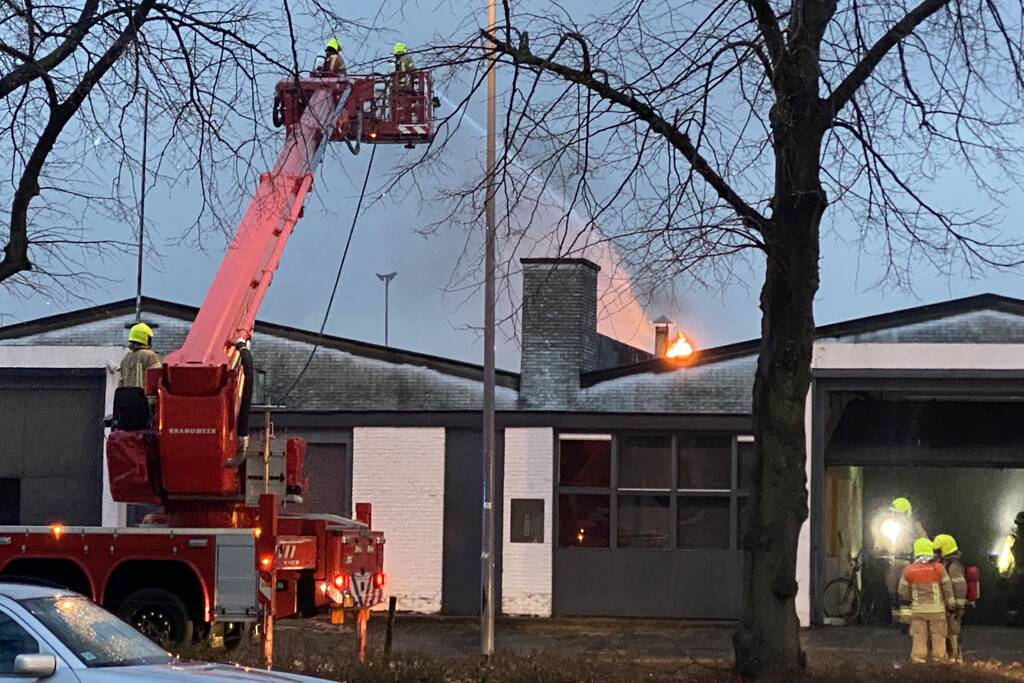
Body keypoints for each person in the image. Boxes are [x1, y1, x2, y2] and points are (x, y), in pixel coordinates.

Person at [898, 537, 956, 664]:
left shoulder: (909, 570)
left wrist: (905, 616)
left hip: (918, 612)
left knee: (919, 636)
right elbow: (947, 588)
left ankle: (919, 661)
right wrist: (951, 606)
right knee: (938, 636)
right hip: (937, 612)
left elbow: (903, 593)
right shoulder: (939, 568)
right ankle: (939, 661)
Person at [877, 497, 928, 626]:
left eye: (897, 512)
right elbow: (882, 540)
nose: (894, 515)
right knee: (892, 590)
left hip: (908, 562)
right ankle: (896, 620)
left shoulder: (914, 526)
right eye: (893, 512)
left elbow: (925, 541)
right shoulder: (890, 525)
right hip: (894, 561)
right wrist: (878, 548)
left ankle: (907, 622)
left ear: (905, 513)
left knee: (905, 592)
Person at [933, 533, 968, 663]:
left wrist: (956, 609)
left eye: (937, 551)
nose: (935, 554)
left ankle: (956, 657)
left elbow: (960, 588)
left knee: (953, 632)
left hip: (952, 608)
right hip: (947, 606)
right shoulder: (948, 565)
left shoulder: (953, 567)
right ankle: (950, 657)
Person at [118, 323, 161, 388]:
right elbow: (156, 378)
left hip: (127, 396)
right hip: (142, 396)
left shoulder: (126, 358)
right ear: (146, 338)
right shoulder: (149, 355)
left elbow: (121, 383)